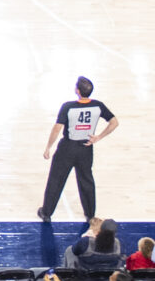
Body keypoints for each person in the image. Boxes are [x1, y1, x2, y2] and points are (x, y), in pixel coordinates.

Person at [37, 79, 118, 226]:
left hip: (67, 147)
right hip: (86, 147)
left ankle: (47, 212)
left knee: (56, 179)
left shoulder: (68, 107)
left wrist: (48, 147)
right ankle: (90, 214)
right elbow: (114, 122)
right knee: (86, 180)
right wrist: (98, 137)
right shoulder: (98, 106)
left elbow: (57, 128)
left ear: (77, 91)